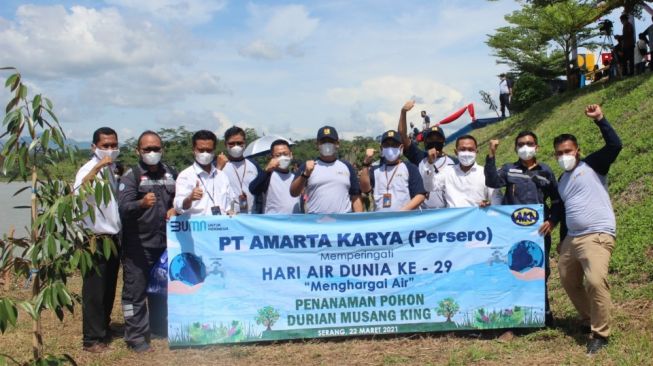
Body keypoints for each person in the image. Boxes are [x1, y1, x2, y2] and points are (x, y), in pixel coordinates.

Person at [554, 104, 622, 355]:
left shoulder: (593, 165)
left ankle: (600, 333)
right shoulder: (562, 181)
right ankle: (587, 318)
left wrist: (600, 119)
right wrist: (562, 240)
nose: (564, 156)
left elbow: (615, 146)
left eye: (568, 151)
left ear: (577, 151)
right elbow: (564, 211)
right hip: (572, 237)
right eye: (560, 153)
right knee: (567, 279)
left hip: (597, 234)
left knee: (595, 281)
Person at [484, 131, 561, 326]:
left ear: (537, 147)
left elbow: (558, 200)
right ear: (516, 148)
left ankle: (543, 312)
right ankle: (514, 316)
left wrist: (552, 221)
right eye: (520, 144)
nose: (525, 147)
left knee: (540, 271)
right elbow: (492, 181)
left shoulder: (546, 172)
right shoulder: (509, 170)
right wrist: (491, 154)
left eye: (529, 143)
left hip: (539, 233)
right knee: (513, 270)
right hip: (512, 232)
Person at [118, 131, 177, 353]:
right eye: (147, 149)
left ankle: (159, 328)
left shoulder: (171, 173)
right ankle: (136, 337)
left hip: (164, 243)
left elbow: (179, 198)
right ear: (138, 151)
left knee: (161, 289)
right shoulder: (131, 176)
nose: (152, 153)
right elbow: (123, 207)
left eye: (156, 148)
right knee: (135, 294)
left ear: (162, 149)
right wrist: (141, 203)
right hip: (138, 245)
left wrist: (176, 207)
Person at [73, 127, 121, 353]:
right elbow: (79, 192)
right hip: (94, 237)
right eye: (105, 146)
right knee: (94, 289)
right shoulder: (88, 169)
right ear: (94, 147)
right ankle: (91, 339)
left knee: (109, 286)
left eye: (113, 145)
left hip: (112, 237)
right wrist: (97, 168)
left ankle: (104, 328)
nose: (110, 149)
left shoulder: (112, 169)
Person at [290, 126, 363, 214]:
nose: (327, 144)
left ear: (337, 144)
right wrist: (305, 174)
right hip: (316, 221)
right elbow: (294, 193)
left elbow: (356, 197)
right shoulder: (308, 166)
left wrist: (359, 221)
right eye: (323, 142)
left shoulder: (347, 166)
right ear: (317, 144)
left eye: (331, 141)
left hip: (343, 221)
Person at [397, 100, 456, 209]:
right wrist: (403, 112)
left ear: (443, 141)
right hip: (423, 216)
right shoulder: (419, 157)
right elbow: (402, 136)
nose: (434, 141)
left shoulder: (454, 162)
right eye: (430, 139)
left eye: (437, 138)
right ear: (424, 142)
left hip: (447, 214)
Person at [359, 130, 426, 211]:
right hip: (381, 220)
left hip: (404, 220)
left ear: (401, 147)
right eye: (386, 145)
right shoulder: (375, 170)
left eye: (394, 145)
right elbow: (365, 189)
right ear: (381, 148)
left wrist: (402, 212)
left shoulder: (410, 168)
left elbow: (420, 196)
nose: (390, 148)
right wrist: (366, 164)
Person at [174, 130, 235, 217]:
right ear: (193, 150)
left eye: (209, 150)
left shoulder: (222, 176)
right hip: (197, 228)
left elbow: (231, 201)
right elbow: (178, 206)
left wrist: (231, 210)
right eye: (201, 150)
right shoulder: (185, 176)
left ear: (214, 150)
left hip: (221, 227)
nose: (205, 153)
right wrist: (190, 198)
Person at [438, 135, 502, 208]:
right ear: (456, 152)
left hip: (477, 217)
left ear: (476, 151)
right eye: (462, 149)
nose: (466, 153)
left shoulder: (485, 173)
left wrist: (489, 206)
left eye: (470, 149)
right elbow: (430, 186)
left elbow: (496, 199)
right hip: (454, 218)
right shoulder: (447, 172)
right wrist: (429, 164)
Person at [217, 126, 262, 214]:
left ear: (245, 143)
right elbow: (211, 187)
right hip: (229, 217)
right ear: (225, 144)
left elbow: (261, 190)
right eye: (232, 143)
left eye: (239, 143)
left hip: (252, 215)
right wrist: (218, 168)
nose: (236, 146)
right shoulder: (219, 164)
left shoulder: (254, 165)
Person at [249, 139, 301, 214]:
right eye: (278, 155)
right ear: (272, 157)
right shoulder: (268, 176)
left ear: (291, 155)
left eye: (285, 154)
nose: (283, 157)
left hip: (294, 222)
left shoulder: (295, 177)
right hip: (273, 223)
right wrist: (267, 170)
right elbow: (253, 189)